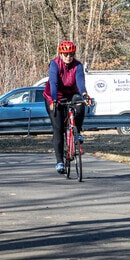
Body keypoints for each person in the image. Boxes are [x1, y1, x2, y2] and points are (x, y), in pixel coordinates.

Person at [43, 40, 92, 174]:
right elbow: (53, 82)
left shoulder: (77, 65)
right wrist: (54, 99)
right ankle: (59, 161)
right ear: (60, 54)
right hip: (54, 95)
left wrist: (85, 95)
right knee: (58, 128)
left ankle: (77, 133)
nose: (68, 57)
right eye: (65, 54)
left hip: (72, 94)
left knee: (80, 104)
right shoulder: (55, 64)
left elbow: (81, 82)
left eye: (71, 54)